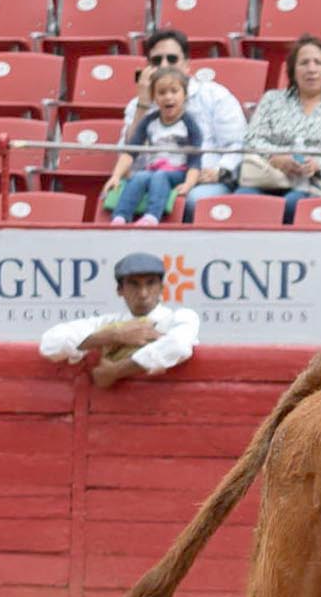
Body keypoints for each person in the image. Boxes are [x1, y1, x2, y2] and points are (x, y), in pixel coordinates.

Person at [118, 28, 246, 223]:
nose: (164, 65)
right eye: (156, 60)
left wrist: (221, 171)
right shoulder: (138, 105)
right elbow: (128, 157)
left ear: (187, 65)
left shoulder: (214, 95)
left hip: (204, 180)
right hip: (153, 177)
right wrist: (144, 104)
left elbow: (238, 144)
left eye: (172, 59)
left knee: (193, 200)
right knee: (117, 197)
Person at [240, 36, 321, 224]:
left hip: (316, 184)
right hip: (268, 178)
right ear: (293, 70)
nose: (311, 69)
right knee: (243, 199)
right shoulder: (272, 100)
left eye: (318, 63)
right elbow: (253, 139)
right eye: (304, 63)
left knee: (293, 203)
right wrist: (278, 158)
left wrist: (318, 165)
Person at [37, 251, 199, 390]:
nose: (143, 293)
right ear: (120, 290)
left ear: (162, 288)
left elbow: (178, 345)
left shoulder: (179, 317)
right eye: (134, 285)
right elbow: (50, 344)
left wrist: (115, 372)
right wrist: (114, 335)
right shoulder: (110, 323)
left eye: (150, 284)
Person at [105, 69, 202, 226]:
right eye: (162, 93)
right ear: (154, 98)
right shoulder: (149, 121)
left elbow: (195, 160)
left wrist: (189, 184)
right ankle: (120, 216)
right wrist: (116, 176)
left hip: (178, 171)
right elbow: (131, 152)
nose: (168, 97)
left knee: (159, 176)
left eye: (174, 91)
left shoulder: (189, 124)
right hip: (153, 169)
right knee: (138, 177)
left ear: (184, 95)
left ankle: (152, 216)